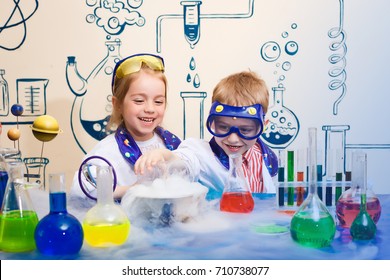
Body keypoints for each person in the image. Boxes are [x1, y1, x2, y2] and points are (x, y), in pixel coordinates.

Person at [135, 70, 278, 200]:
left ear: (263, 125)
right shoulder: (202, 155)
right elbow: (184, 161)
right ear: (213, 122)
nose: (233, 139)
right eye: (223, 127)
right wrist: (165, 155)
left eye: (245, 130)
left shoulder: (266, 157)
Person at [69, 53, 181, 206]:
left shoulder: (170, 144)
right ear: (118, 104)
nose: (150, 109)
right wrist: (130, 190)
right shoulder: (108, 151)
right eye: (139, 101)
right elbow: (81, 189)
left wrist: (170, 157)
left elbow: (190, 172)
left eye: (158, 101)